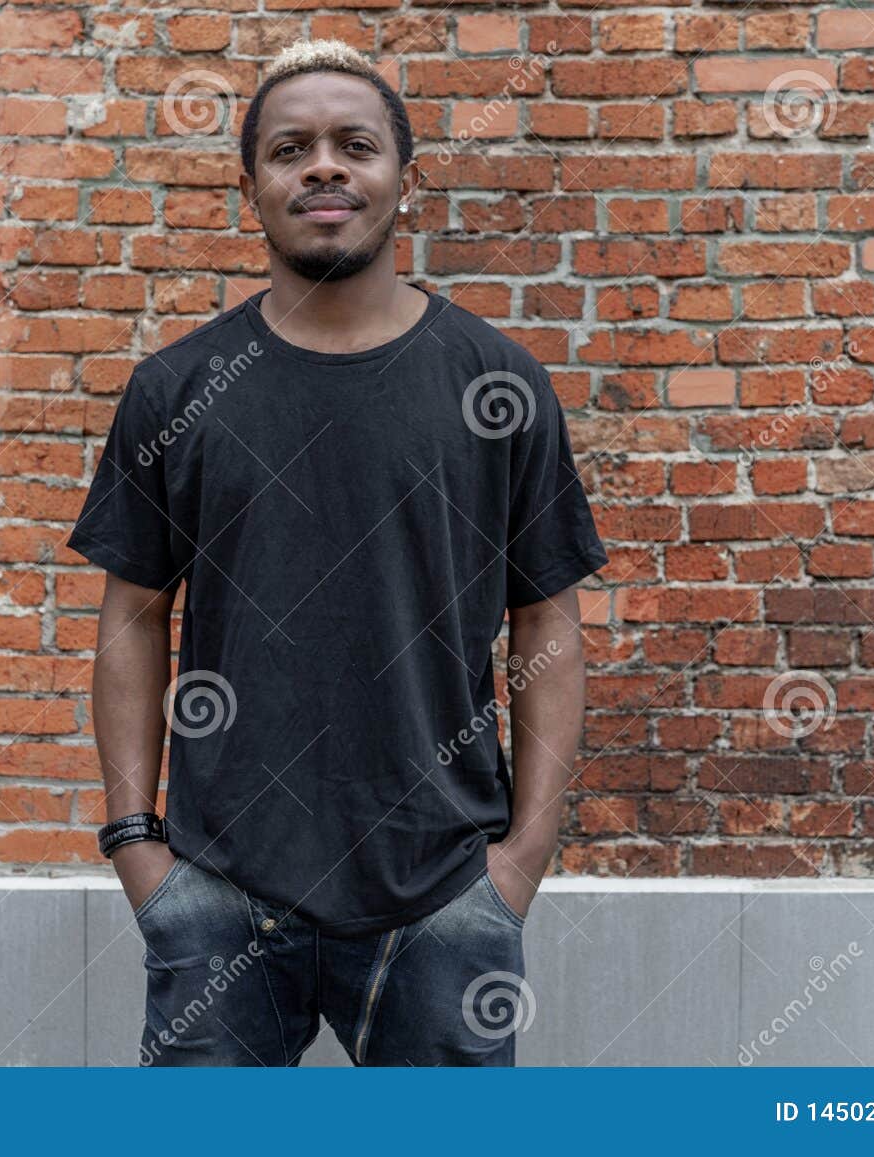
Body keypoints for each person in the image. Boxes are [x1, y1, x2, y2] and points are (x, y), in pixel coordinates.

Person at [66, 37, 607, 1066]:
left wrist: (521, 857)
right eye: (290, 148)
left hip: (442, 894)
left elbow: (548, 622)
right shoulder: (177, 391)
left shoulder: (496, 385)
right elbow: (131, 616)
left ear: (404, 181)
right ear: (251, 186)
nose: (323, 166)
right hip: (220, 887)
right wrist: (138, 846)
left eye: (354, 145)